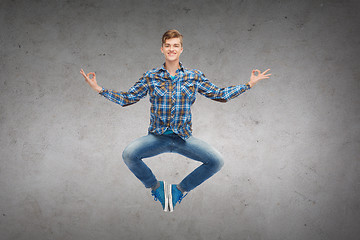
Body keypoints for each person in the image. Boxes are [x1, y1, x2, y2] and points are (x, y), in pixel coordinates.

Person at [80, 29, 271, 212]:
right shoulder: (151, 76)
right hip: (157, 138)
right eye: (168, 45)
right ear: (162, 49)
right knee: (129, 154)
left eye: (176, 45)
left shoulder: (193, 76)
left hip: (183, 139)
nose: (172, 49)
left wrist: (249, 84)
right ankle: (157, 189)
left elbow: (219, 94)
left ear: (181, 49)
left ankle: (179, 191)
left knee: (216, 161)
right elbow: (128, 98)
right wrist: (99, 89)